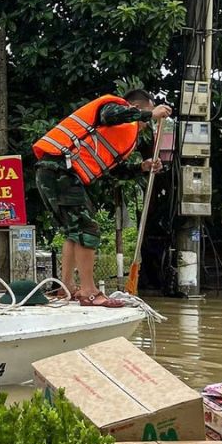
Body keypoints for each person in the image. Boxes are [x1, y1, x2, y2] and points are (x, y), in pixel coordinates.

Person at [33, 89, 171, 307]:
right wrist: (148, 114)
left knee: (74, 230)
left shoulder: (123, 135)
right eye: (147, 114)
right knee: (88, 229)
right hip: (60, 168)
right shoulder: (114, 110)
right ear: (136, 108)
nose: (149, 123)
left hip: (58, 171)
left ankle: (66, 287)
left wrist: (141, 167)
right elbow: (110, 114)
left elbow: (112, 170)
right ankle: (89, 292)